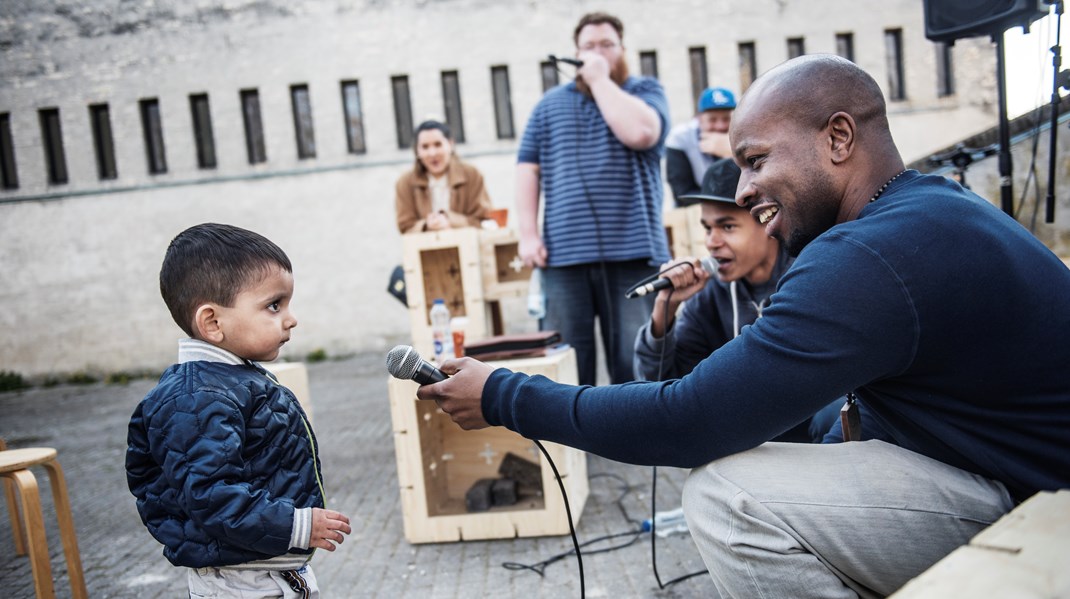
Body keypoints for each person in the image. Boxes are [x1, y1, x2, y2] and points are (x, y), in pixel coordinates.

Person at [418, 54, 1070, 597]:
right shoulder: (924, 212)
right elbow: (775, 411)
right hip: (1021, 475)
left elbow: (692, 418)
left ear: (839, 138)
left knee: (729, 497)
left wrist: (504, 394)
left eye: (756, 160)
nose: (741, 191)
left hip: (1045, 510)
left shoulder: (868, 255)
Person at [126, 223, 352, 597]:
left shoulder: (231, 381)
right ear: (213, 322)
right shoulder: (195, 398)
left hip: (267, 569)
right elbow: (211, 495)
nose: (290, 318)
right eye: (273, 305)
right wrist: (295, 525)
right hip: (240, 583)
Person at [634, 157, 855, 443]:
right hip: (756, 437)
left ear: (768, 223)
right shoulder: (711, 295)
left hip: (812, 433)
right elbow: (661, 389)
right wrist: (665, 309)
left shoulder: (811, 274)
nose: (712, 242)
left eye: (727, 227)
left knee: (834, 413)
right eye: (707, 228)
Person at [517, 11, 671, 386]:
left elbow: (640, 133)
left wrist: (600, 80)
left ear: (623, 50)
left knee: (633, 364)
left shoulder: (646, 92)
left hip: (633, 256)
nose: (597, 53)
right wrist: (527, 235)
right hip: (564, 258)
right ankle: (570, 446)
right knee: (566, 366)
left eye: (607, 45)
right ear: (575, 53)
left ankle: (635, 444)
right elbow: (527, 169)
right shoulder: (548, 106)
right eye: (589, 46)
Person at [395, 120, 493, 234]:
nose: (432, 153)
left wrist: (450, 220)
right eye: (425, 147)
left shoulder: (471, 175)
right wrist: (427, 225)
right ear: (417, 150)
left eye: (438, 144)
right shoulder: (405, 183)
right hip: (425, 249)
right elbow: (405, 227)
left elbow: (484, 221)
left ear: (450, 144)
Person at [665, 86, 736, 205]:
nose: (720, 126)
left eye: (726, 119)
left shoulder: (746, 134)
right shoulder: (680, 138)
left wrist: (731, 153)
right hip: (696, 208)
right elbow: (682, 194)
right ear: (699, 119)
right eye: (712, 120)